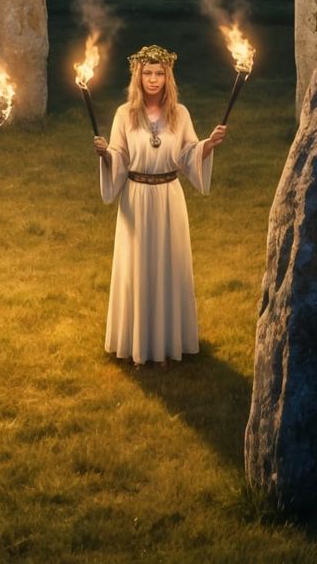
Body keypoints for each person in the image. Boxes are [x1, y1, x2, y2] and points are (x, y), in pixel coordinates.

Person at [94, 45, 226, 364]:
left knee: (169, 263)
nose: (153, 79)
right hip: (136, 199)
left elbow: (187, 155)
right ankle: (137, 345)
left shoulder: (179, 114)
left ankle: (168, 344)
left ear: (168, 78)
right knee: (137, 268)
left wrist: (208, 144)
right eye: (148, 73)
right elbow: (120, 157)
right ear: (137, 76)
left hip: (169, 197)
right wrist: (105, 155)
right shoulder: (124, 114)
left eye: (160, 73)